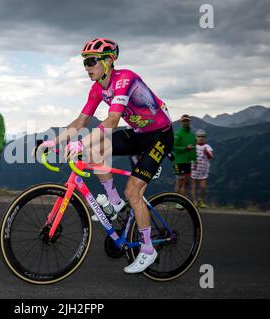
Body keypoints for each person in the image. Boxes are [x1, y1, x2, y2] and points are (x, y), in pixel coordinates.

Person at [38, 38, 174, 273]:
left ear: (109, 61)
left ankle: (148, 250)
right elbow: (81, 121)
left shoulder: (126, 79)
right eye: (84, 63)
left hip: (160, 136)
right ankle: (114, 201)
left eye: (91, 61)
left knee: (133, 191)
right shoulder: (97, 88)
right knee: (94, 149)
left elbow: (112, 120)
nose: (87, 67)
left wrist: (80, 143)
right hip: (139, 134)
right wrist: (54, 141)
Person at [172, 114, 197, 203]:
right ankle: (177, 202)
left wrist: (195, 160)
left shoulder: (192, 135)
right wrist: (186, 148)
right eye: (184, 121)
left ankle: (182, 202)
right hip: (178, 162)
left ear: (189, 122)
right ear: (181, 122)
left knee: (186, 182)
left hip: (187, 162)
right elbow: (174, 148)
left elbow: (194, 149)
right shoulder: (178, 134)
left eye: (187, 120)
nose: (186, 122)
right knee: (180, 181)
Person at [191, 129, 214, 208]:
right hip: (194, 169)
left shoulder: (207, 146)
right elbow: (190, 156)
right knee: (194, 186)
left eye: (203, 136)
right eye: (199, 136)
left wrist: (206, 152)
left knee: (203, 187)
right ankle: (194, 201)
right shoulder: (194, 146)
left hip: (203, 170)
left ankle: (201, 200)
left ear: (205, 138)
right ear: (196, 137)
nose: (201, 138)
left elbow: (210, 156)